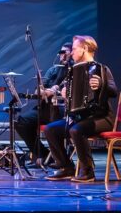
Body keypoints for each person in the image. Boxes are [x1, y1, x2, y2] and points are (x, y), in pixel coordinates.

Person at [45, 35, 117, 182]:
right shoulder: (73, 71)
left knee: (76, 130)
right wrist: (66, 93)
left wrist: (101, 84)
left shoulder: (101, 69)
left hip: (102, 117)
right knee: (50, 129)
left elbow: (113, 91)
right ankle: (67, 168)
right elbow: (72, 98)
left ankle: (87, 171)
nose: (71, 52)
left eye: (74, 48)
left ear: (84, 48)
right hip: (80, 118)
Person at [14, 42, 71, 166]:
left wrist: (54, 91)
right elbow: (39, 89)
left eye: (65, 52)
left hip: (61, 109)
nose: (62, 55)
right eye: (61, 52)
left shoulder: (73, 70)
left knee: (54, 125)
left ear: (72, 53)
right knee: (21, 122)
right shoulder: (53, 70)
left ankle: (62, 159)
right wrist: (42, 90)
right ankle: (44, 155)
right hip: (45, 108)